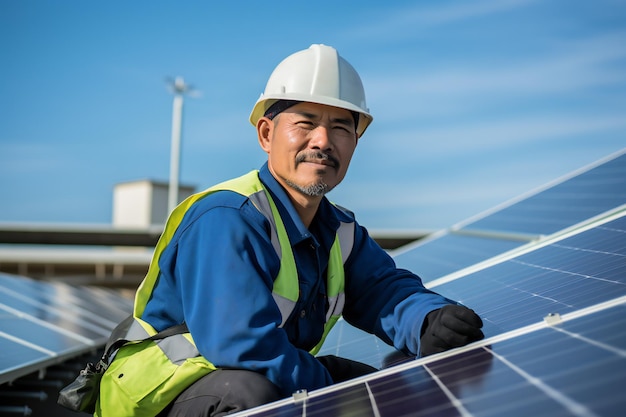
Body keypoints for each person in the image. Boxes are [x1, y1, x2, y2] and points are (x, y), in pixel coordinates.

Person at [94, 44, 484, 417]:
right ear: (266, 134)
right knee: (259, 396)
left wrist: (428, 320)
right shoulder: (227, 218)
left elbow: (384, 291)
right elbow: (243, 347)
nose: (323, 141)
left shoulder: (339, 230)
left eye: (340, 128)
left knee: (379, 391)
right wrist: (334, 387)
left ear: (355, 142)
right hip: (152, 400)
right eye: (306, 123)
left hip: (227, 381)